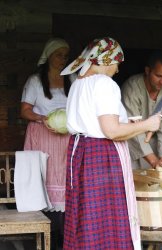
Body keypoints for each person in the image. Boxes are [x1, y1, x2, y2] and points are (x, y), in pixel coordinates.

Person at [60, 37, 162, 250]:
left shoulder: (78, 84)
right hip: (101, 156)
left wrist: (130, 122)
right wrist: (148, 124)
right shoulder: (104, 83)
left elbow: (94, 122)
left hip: (81, 153)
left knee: (87, 218)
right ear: (106, 61)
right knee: (106, 220)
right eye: (117, 63)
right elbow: (111, 131)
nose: (117, 70)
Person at [20, 37, 75, 249]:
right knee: (45, 178)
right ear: (49, 55)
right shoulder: (35, 80)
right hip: (43, 136)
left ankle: (65, 235)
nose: (63, 59)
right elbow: (25, 111)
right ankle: (43, 234)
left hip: (67, 139)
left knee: (65, 180)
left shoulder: (72, 78)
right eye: (59, 55)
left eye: (66, 56)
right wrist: (44, 119)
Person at [121, 50, 162, 170]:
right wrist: (153, 161)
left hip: (154, 146)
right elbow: (132, 128)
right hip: (131, 145)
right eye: (158, 76)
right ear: (148, 71)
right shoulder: (132, 88)